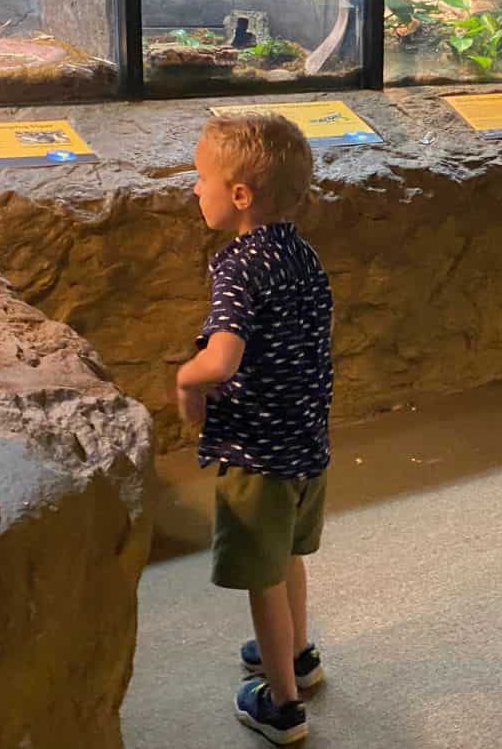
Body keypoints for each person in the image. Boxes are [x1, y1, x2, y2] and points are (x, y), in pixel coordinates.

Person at [176, 112, 334, 746]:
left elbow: (223, 359)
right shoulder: (302, 254)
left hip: (259, 454)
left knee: (261, 578)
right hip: (307, 444)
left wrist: (188, 381)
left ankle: (282, 704)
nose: (194, 188)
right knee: (288, 555)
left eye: (201, 177)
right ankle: (298, 655)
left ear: (240, 196)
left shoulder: (239, 265)